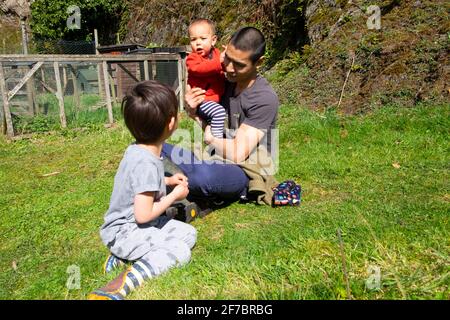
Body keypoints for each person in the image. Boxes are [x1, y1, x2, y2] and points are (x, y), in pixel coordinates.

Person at [88, 81, 197, 300]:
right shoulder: (146, 162)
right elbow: (143, 214)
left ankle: (121, 257)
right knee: (180, 250)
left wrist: (167, 181)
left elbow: (141, 185)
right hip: (126, 231)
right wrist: (175, 195)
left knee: (188, 233)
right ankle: (125, 281)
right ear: (171, 123)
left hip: (134, 227)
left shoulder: (140, 150)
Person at [163, 26, 279, 206]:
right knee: (145, 148)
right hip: (215, 156)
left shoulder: (264, 98)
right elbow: (212, 128)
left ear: (259, 62)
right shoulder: (223, 82)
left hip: (244, 169)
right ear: (224, 49)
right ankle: (175, 177)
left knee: (203, 177)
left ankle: (167, 179)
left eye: (239, 64)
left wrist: (211, 140)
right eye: (228, 59)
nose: (230, 68)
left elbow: (238, 153)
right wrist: (193, 111)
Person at [186, 18, 227, 138]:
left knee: (220, 116)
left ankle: (213, 136)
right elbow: (201, 69)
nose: (198, 43)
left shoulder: (217, 53)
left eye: (203, 38)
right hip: (203, 101)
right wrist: (219, 62)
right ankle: (217, 141)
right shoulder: (192, 59)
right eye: (193, 39)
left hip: (216, 99)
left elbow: (224, 67)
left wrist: (227, 57)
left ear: (213, 40)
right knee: (219, 112)